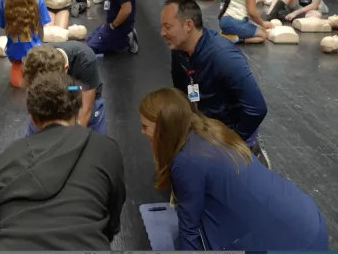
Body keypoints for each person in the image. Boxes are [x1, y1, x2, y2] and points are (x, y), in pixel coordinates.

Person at [138, 87, 329, 251]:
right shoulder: (209, 129)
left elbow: (189, 228)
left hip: (295, 242)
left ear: (165, 129)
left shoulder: (187, 161)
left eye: (145, 126)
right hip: (308, 220)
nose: (142, 132)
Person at [0, 73, 125, 250]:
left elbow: (3, 219)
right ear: (78, 110)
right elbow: (113, 214)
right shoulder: (105, 149)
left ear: (32, 117)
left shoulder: (6, 158)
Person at [161, 0, 270, 167]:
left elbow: (256, 109)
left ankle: (251, 149)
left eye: (167, 27)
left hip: (229, 130)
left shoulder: (223, 56)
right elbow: (181, 91)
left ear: (188, 25)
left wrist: (235, 143)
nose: (162, 32)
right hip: (205, 123)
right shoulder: (179, 51)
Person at [22, 43, 106, 135]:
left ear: (66, 68)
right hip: (50, 97)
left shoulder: (85, 59)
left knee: (96, 141)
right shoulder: (38, 57)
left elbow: (86, 109)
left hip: (80, 90)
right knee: (33, 135)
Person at [0, 0, 51, 88]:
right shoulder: (38, 1)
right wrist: (40, 47)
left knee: (18, 84)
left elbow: (4, 27)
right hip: (35, 57)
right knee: (39, 84)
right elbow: (41, 29)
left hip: (15, 57)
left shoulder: (4, 3)